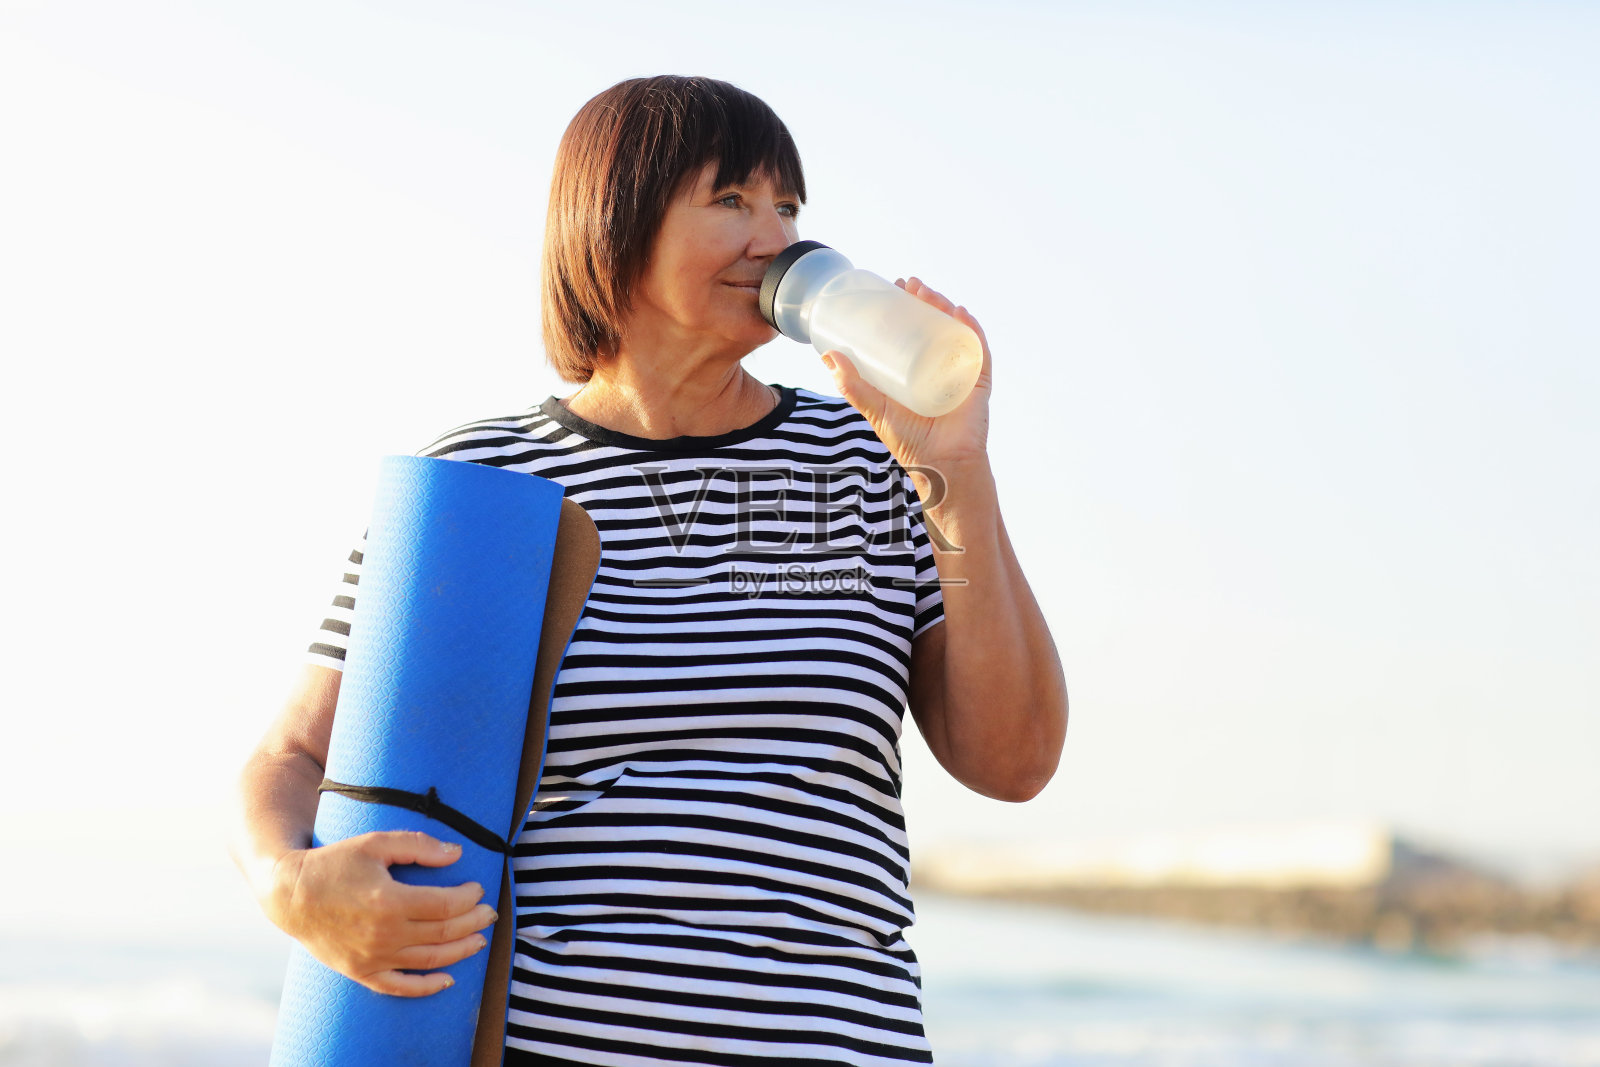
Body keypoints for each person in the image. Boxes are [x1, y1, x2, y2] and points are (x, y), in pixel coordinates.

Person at [233, 74, 1067, 1066]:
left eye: (787, 205)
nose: (778, 238)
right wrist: (294, 887)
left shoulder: (875, 460)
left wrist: (956, 472)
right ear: (613, 221)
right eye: (730, 201)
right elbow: (291, 754)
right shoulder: (487, 476)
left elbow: (1012, 760)